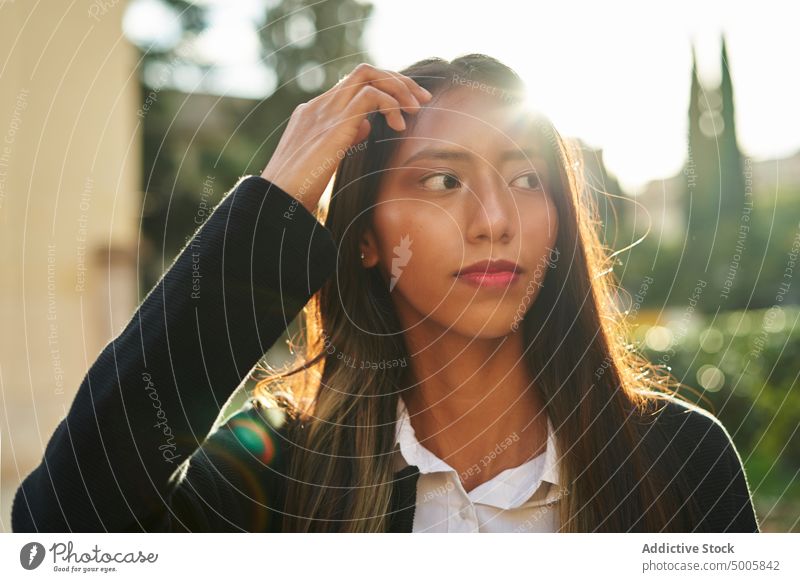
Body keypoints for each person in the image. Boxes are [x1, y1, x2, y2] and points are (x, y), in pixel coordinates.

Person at [12, 54, 760, 533]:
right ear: (365, 237)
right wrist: (269, 209)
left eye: (526, 178)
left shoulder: (681, 460)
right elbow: (58, 528)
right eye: (443, 181)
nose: (496, 220)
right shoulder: (274, 473)